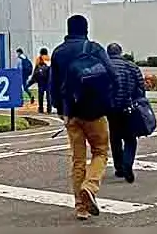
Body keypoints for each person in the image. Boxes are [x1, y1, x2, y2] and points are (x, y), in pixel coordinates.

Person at [50, 15, 118, 220]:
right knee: (100, 152)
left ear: (68, 29)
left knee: (78, 160)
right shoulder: (95, 49)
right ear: (86, 29)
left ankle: (80, 207)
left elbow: (52, 86)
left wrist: (61, 109)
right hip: (95, 111)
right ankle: (90, 186)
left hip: (72, 113)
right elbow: (112, 75)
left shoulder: (59, 52)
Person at [105, 43, 145, 183]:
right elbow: (141, 86)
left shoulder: (104, 66)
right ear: (121, 52)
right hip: (129, 107)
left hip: (111, 108)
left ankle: (119, 168)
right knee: (130, 138)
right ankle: (127, 163)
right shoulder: (131, 66)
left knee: (115, 138)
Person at [26, 48, 52, 113]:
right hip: (48, 79)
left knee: (41, 94)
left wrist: (32, 79)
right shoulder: (49, 59)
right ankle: (49, 108)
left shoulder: (39, 59)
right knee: (48, 94)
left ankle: (41, 108)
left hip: (41, 80)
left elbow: (36, 70)